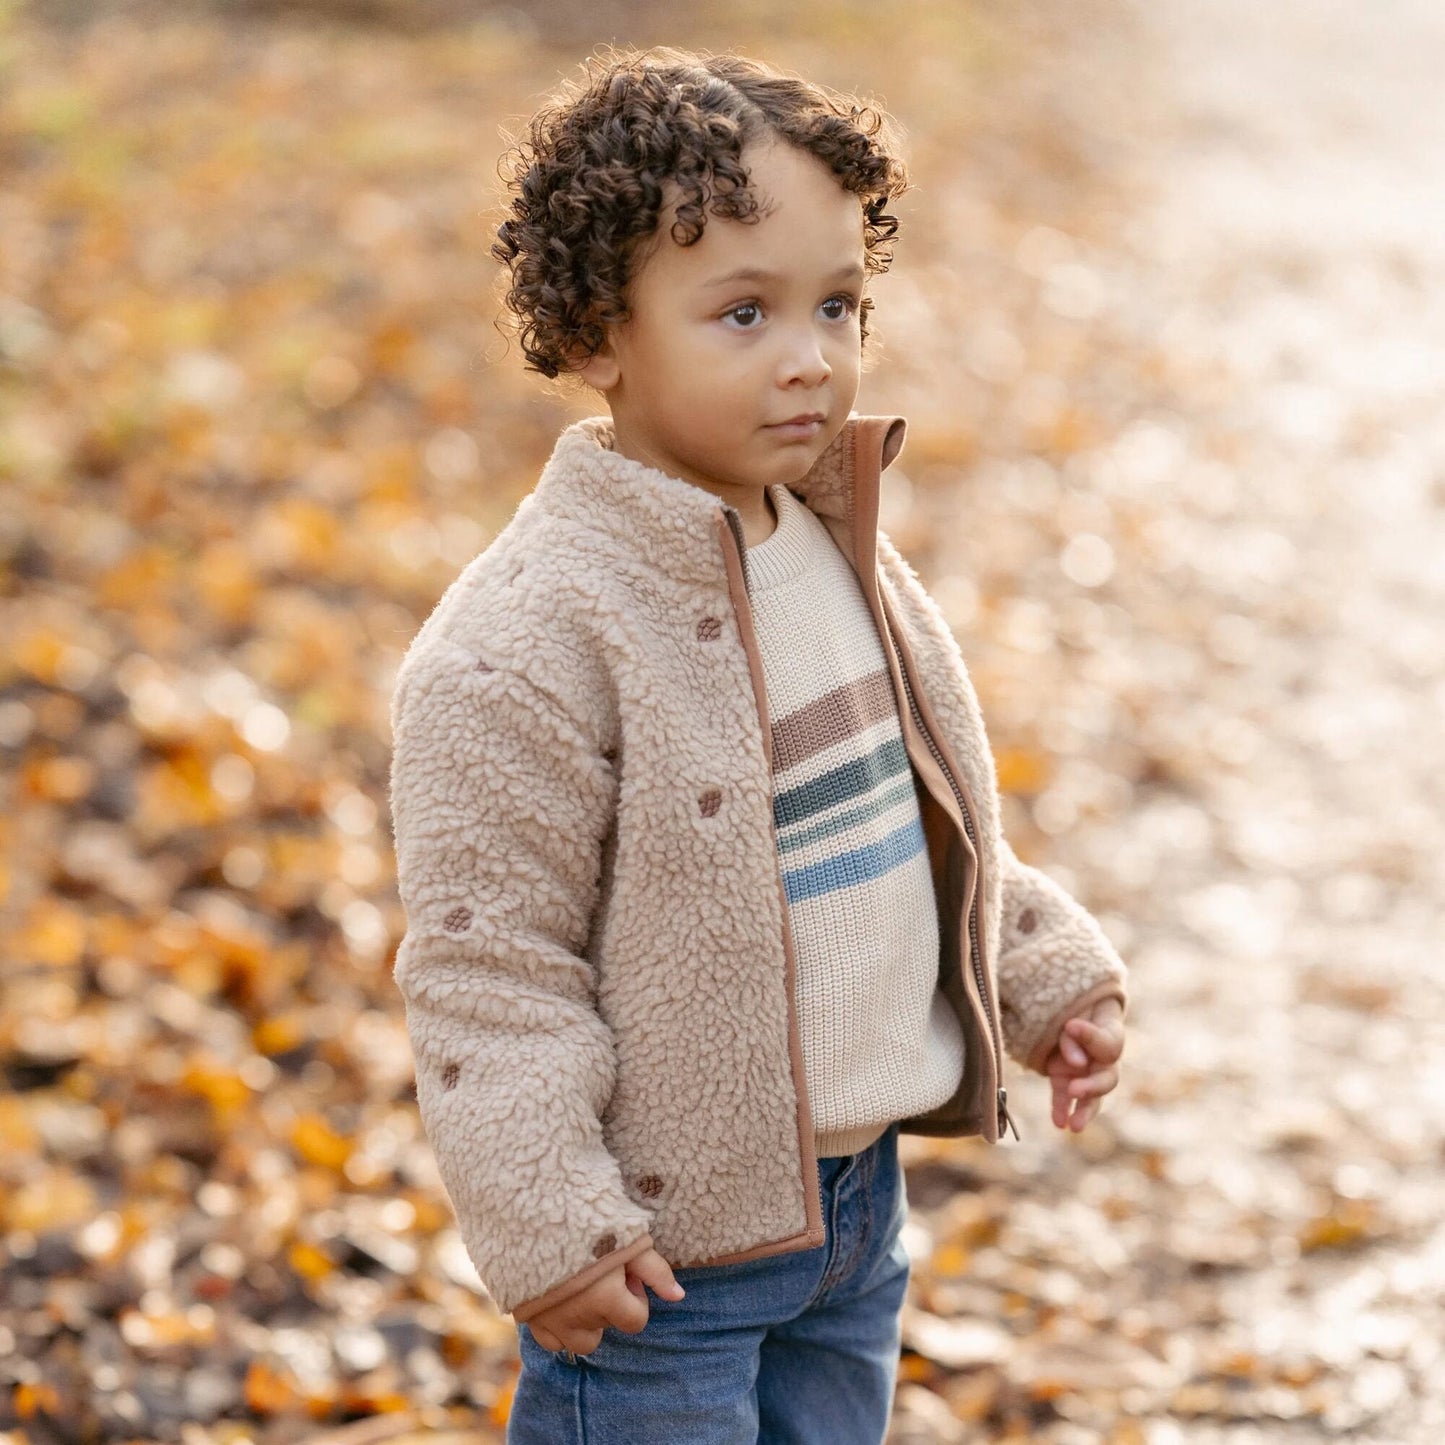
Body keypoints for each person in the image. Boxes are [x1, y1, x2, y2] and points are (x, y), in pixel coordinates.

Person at [387, 44, 1128, 1445]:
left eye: (838, 303)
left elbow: (909, 816)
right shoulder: (526, 642)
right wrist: (552, 1221)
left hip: (853, 1214)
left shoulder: (832, 538)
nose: (812, 356)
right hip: (662, 1256)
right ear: (598, 331)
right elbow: (491, 963)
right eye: (742, 312)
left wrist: (1040, 969)